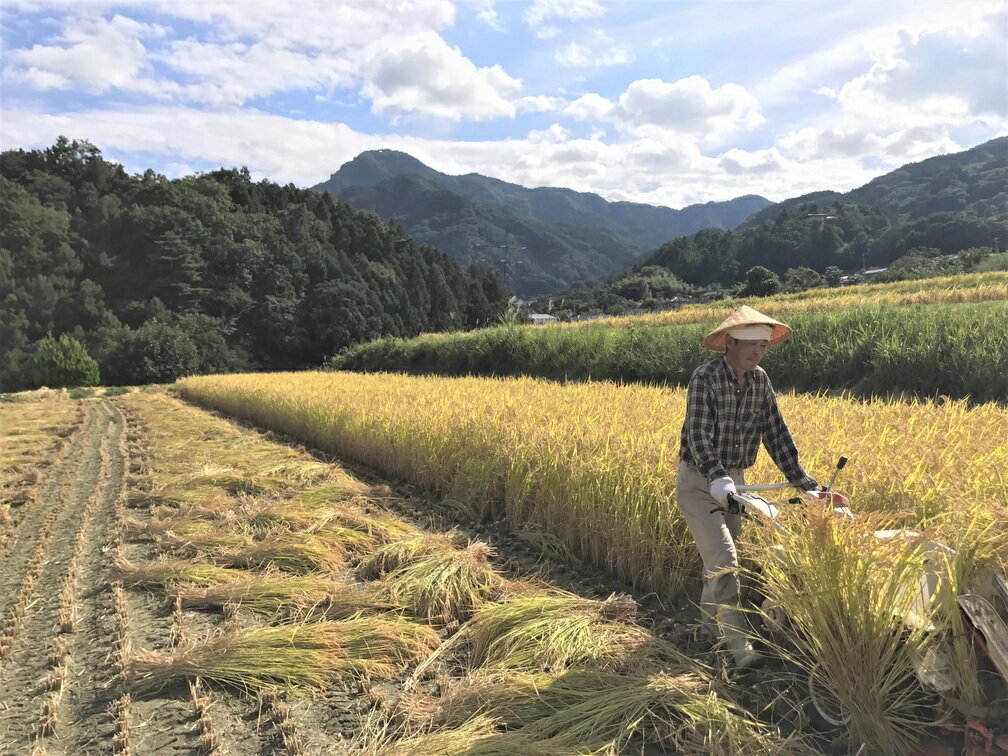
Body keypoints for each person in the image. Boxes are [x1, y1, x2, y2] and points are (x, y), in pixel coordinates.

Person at [676, 305, 820, 670]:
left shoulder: (761, 381)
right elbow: (697, 433)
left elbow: (776, 432)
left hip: (737, 482)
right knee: (725, 561)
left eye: (764, 345)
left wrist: (804, 483)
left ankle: (708, 631)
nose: (758, 351)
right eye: (751, 344)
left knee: (718, 561)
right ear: (729, 342)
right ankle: (742, 650)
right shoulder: (705, 377)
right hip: (699, 481)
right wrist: (715, 475)